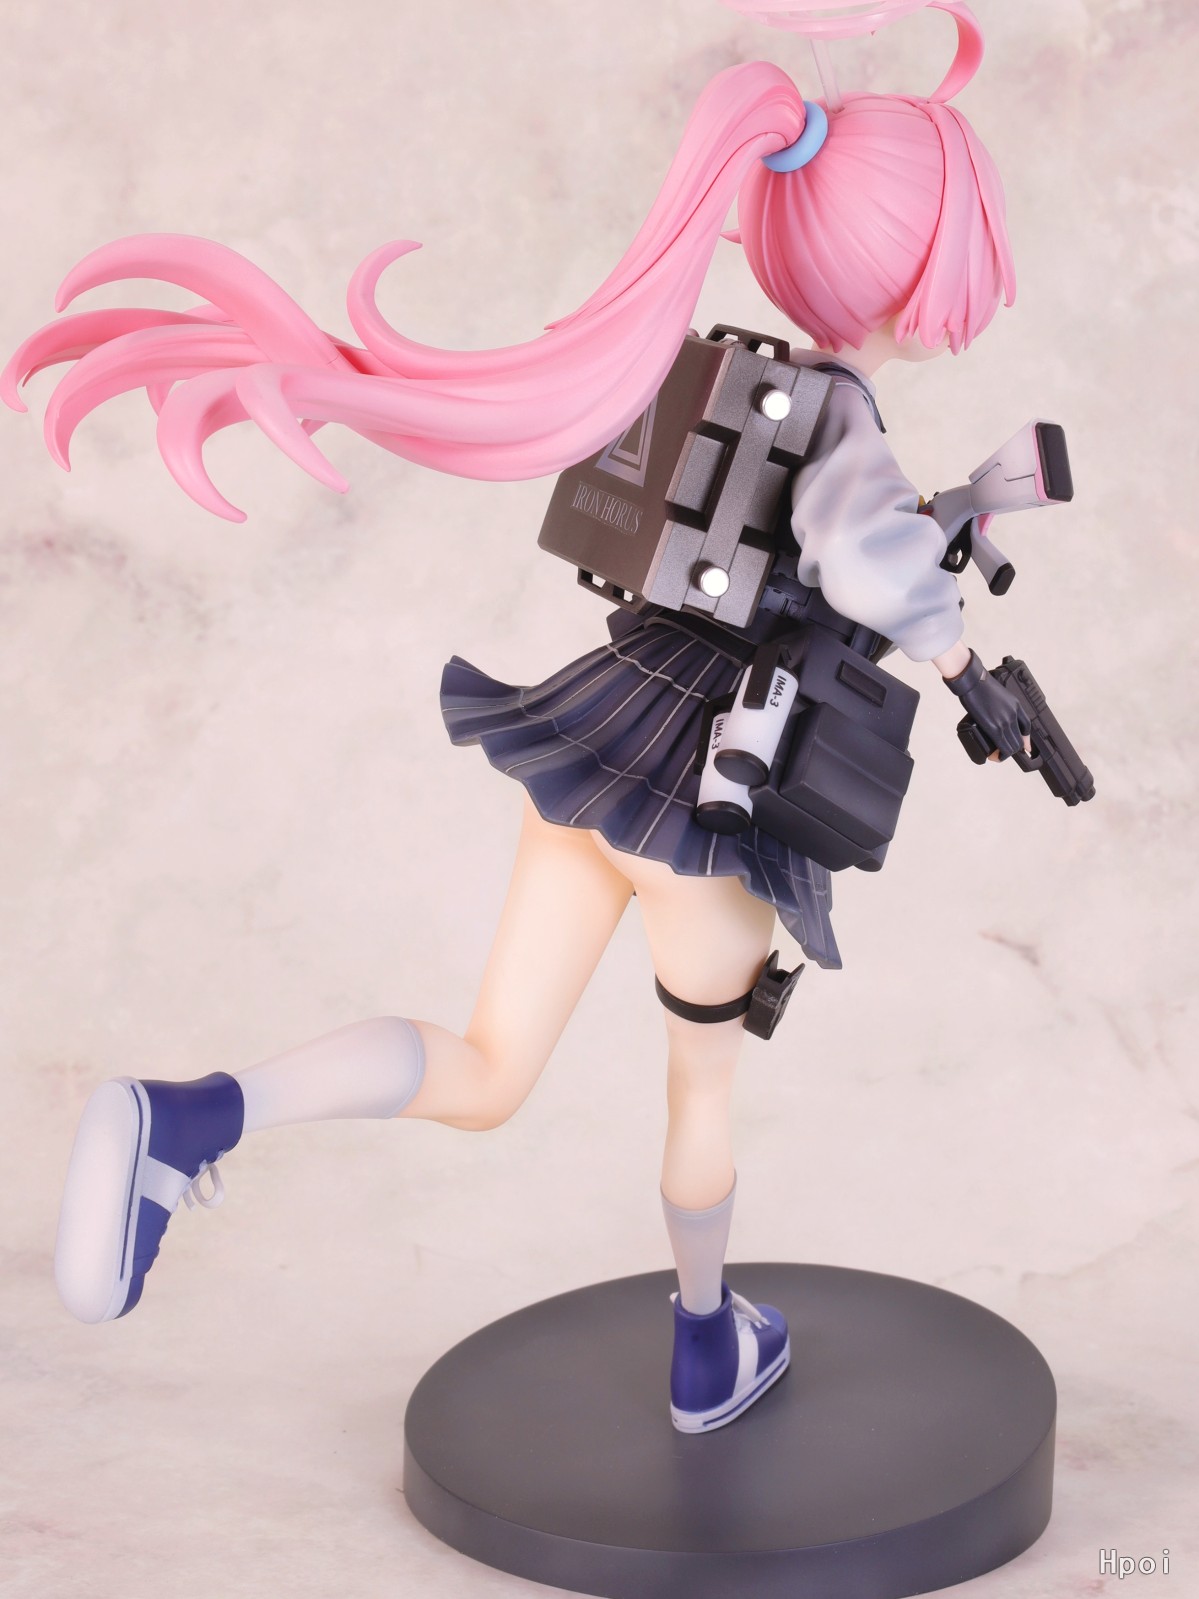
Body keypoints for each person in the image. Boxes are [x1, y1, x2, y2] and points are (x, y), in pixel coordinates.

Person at [3, 0, 1031, 1433]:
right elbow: (860, 558)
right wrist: (961, 649)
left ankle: (195, 1117)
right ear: (913, 266)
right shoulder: (844, 412)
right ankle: (706, 1347)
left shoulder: (720, 366)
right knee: (701, 1091)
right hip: (714, 796)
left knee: (490, 1068)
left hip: (604, 737)